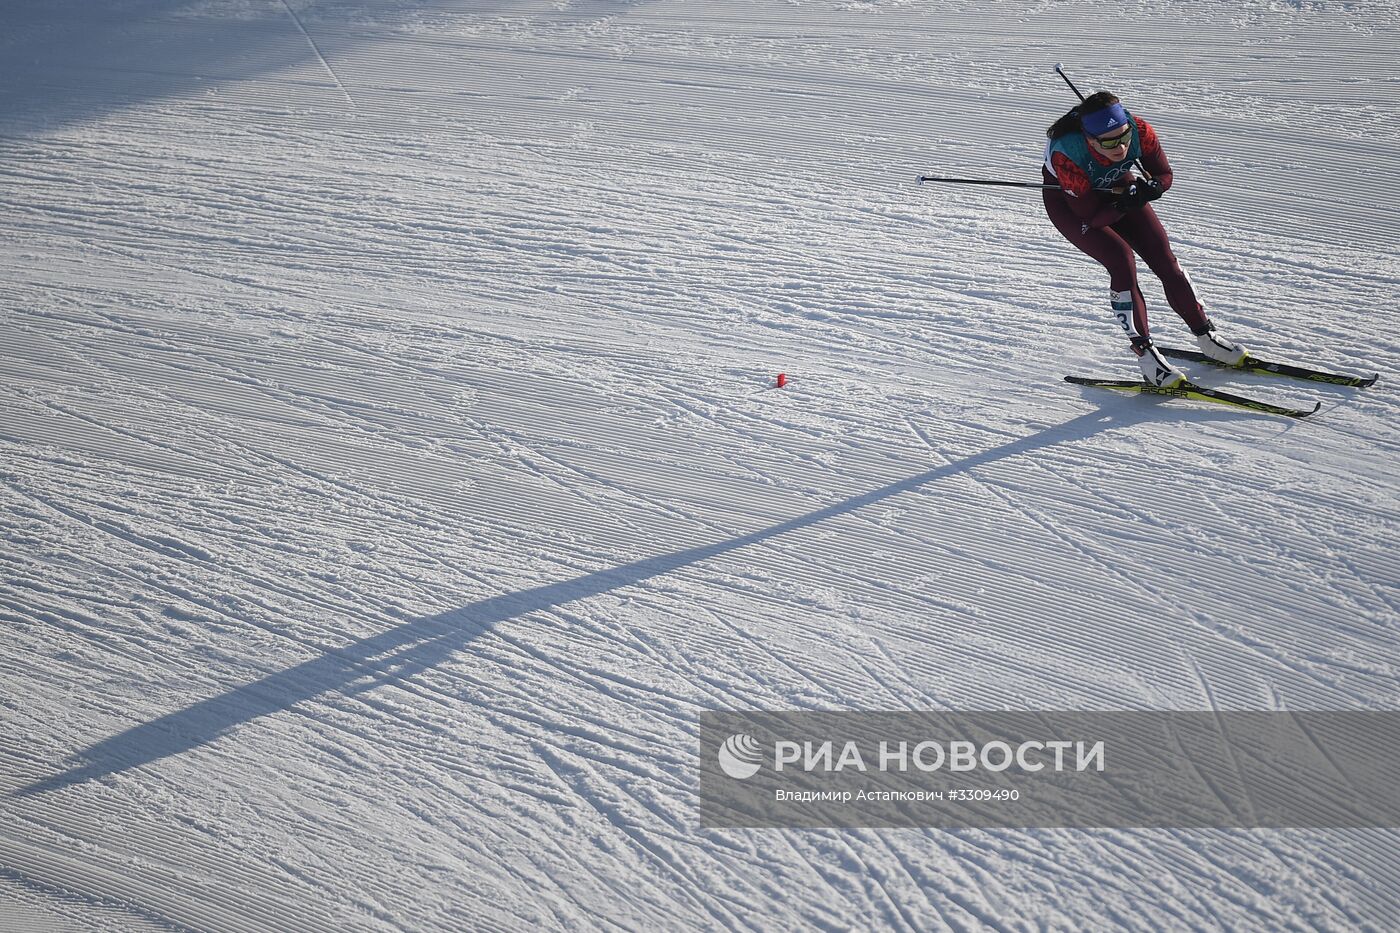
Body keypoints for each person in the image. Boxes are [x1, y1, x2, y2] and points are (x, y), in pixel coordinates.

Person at [1041, 91, 1246, 387]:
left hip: (1117, 187)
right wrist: (1128, 201)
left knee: (1166, 260)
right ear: (1090, 139)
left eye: (1123, 137)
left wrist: (1152, 188)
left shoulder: (1140, 130)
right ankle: (1147, 357)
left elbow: (1164, 173)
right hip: (1073, 205)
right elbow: (1092, 216)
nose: (1121, 147)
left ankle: (1208, 337)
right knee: (1121, 261)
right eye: (1109, 142)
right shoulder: (1068, 153)